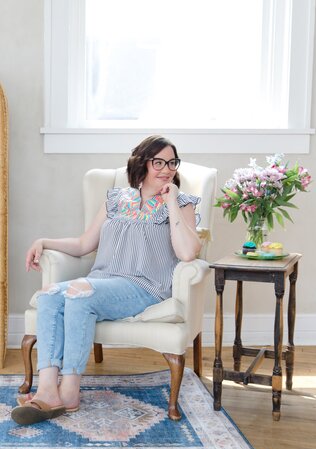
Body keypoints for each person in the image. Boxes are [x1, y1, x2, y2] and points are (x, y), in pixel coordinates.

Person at [11, 135, 201, 425]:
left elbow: (188, 252)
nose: (166, 168)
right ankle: (48, 388)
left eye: (172, 162)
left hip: (144, 287)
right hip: (102, 281)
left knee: (80, 292)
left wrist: (172, 199)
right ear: (142, 163)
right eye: (158, 162)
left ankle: (70, 390)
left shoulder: (182, 203)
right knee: (50, 294)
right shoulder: (116, 199)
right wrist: (43, 241)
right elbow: (84, 243)